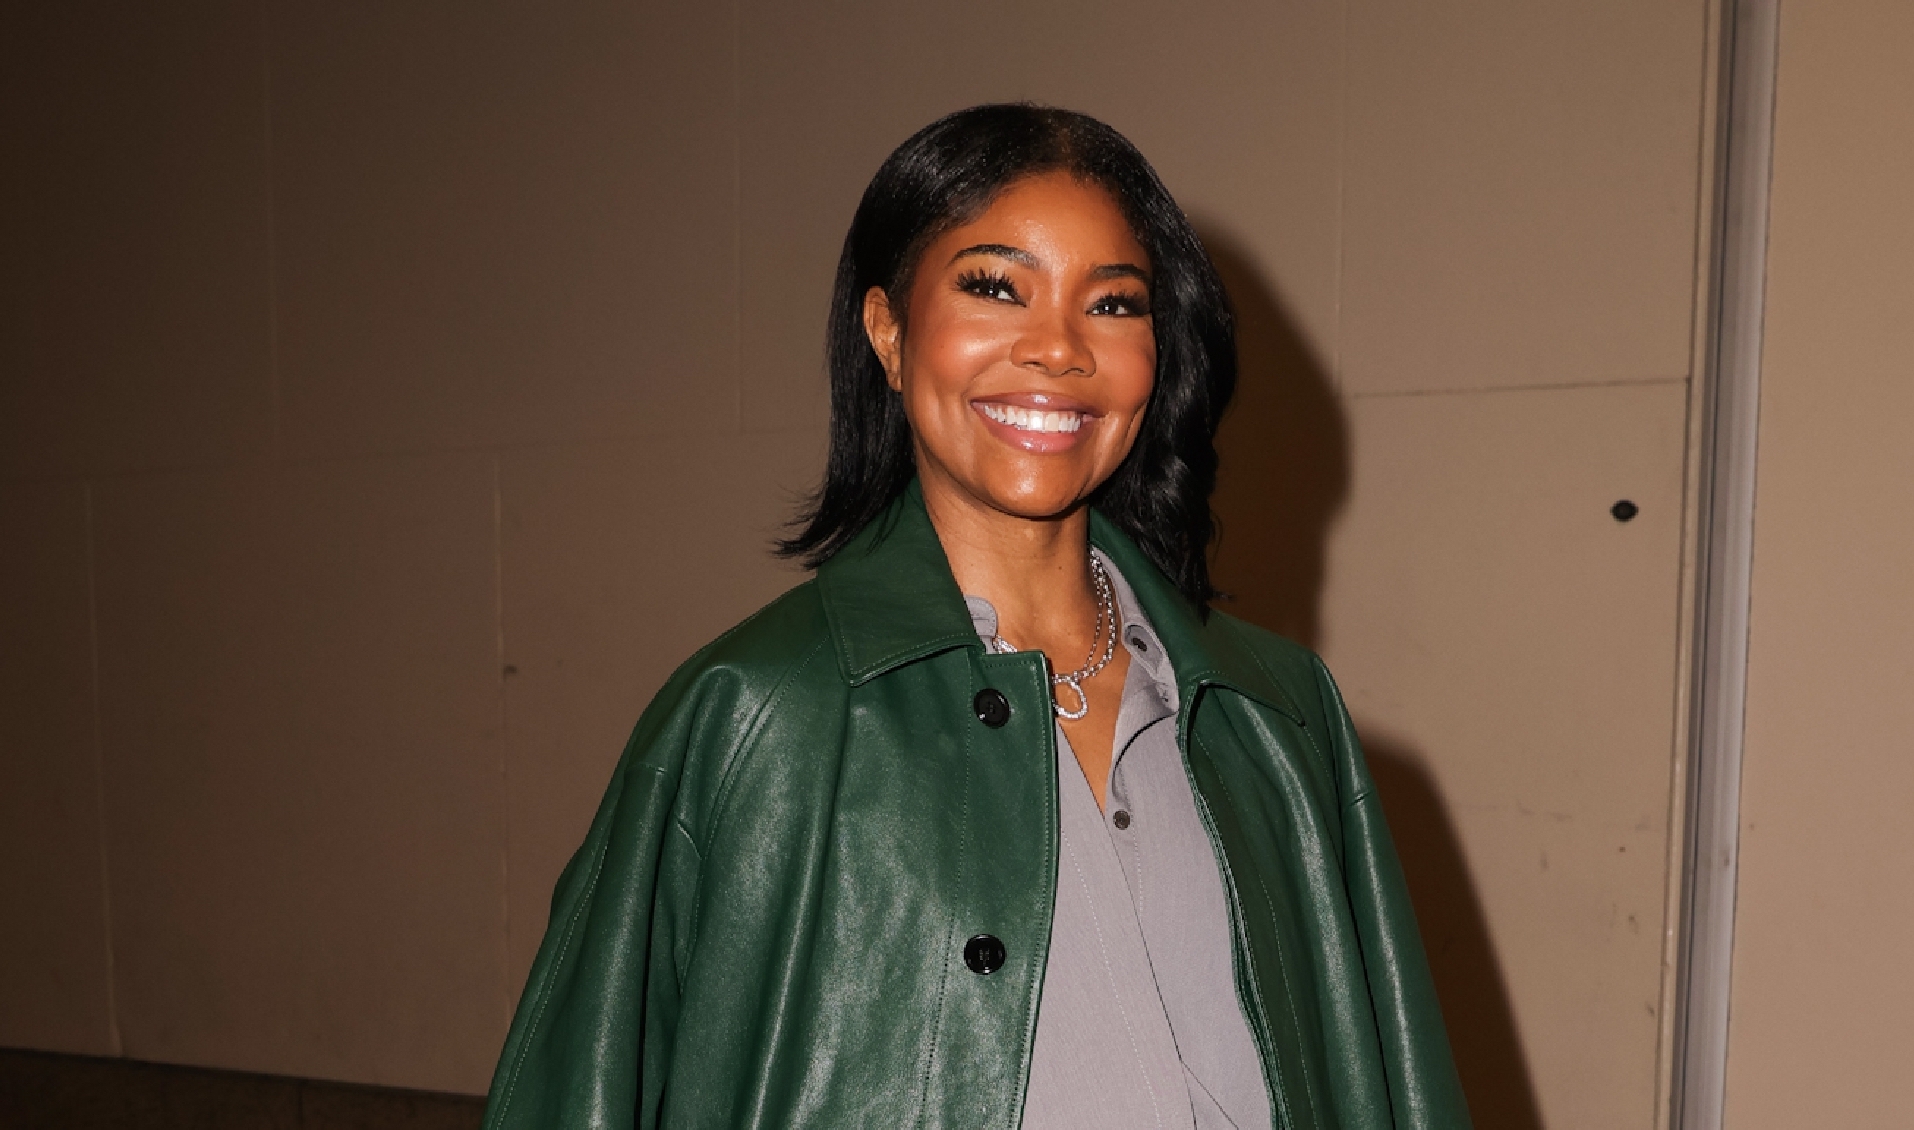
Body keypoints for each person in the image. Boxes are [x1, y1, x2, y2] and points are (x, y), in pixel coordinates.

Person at [481, 103, 1470, 1130]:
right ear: (890, 332)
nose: (1057, 349)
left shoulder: (1278, 711)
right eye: (995, 286)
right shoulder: (753, 717)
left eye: (1115, 304)